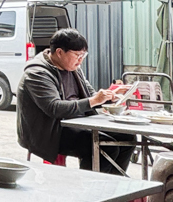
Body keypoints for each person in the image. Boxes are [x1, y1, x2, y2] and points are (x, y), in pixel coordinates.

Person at [17, 28, 134, 180]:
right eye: (77, 55)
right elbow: (54, 108)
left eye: (83, 56)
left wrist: (109, 96)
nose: (80, 60)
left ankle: (113, 184)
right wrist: (94, 100)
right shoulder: (37, 73)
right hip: (50, 130)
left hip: (77, 122)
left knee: (127, 137)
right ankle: (89, 189)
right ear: (59, 52)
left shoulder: (73, 68)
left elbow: (90, 96)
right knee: (103, 146)